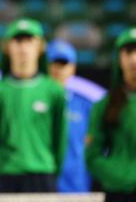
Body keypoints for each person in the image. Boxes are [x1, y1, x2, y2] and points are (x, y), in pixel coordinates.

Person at [0, 18, 67, 193]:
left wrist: (52, 168)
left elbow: (59, 139)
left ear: (40, 47)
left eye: (29, 41)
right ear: (7, 47)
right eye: (17, 41)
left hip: (43, 174)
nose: (23, 48)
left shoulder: (54, 90)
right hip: (6, 174)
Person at [85, 27, 136, 201]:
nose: (134, 59)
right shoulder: (104, 105)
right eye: (128, 52)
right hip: (118, 194)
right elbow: (92, 155)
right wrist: (119, 176)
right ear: (120, 59)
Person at [47, 39, 94, 193]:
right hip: (41, 182)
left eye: (63, 63)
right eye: (53, 63)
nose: (58, 69)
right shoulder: (32, 102)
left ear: (72, 68)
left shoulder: (86, 106)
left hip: (76, 185)